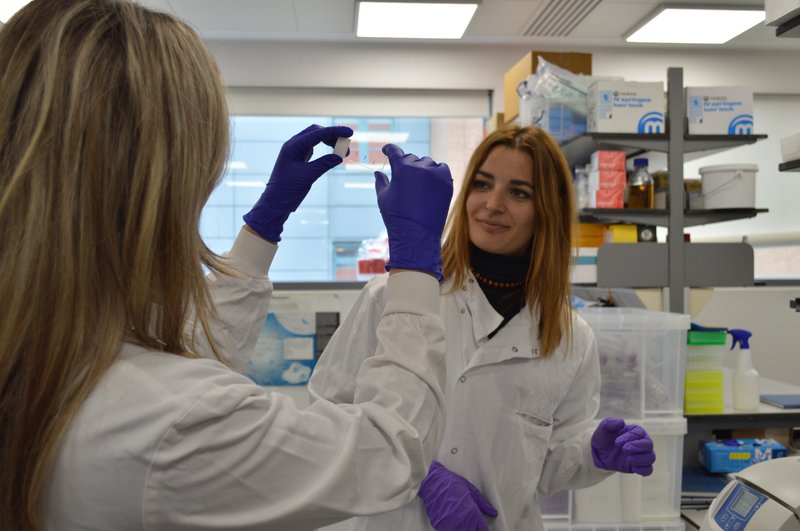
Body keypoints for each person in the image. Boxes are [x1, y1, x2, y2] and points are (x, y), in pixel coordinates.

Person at [0, 1, 455, 530]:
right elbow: (385, 453)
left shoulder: (53, 348)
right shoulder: (168, 423)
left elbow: (185, 349)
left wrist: (265, 224)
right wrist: (417, 264)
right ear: (159, 180)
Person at [309, 124, 657, 531]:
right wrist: (424, 479)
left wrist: (591, 454)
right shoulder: (394, 297)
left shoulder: (570, 339)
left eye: (518, 192)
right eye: (482, 184)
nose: (492, 204)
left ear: (549, 209)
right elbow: (327, 417)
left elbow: (546, 468)